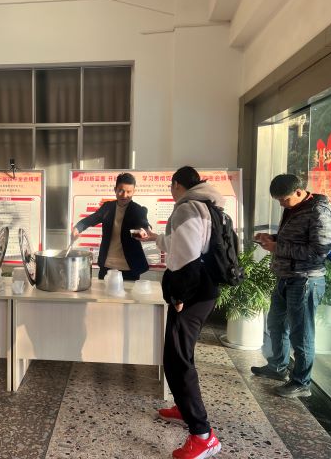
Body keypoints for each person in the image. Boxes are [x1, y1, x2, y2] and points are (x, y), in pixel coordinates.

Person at [137, 166, 222, 458]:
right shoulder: (208, 204)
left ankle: (203, 435)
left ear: (176, 184)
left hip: (191, 292)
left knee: (177, 361)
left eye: (171, 187)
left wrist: (178, 295)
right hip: (204, 288)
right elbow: (183, 243)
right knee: (180, 355)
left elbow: (187, 257)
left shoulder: (187, 207)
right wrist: (154, 237)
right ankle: (185, 409)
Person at [251, 174, 331, 398]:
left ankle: (301, 383)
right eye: (278, 200)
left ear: (299, 192)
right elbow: (293, 239)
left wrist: (277, 247)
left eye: (284, 199)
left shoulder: (320, 212)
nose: (281, 204)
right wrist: (271, 238)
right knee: (276, 323)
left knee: (302, 333)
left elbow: (319, 252)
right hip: (286, 276)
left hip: (305, 280)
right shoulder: (295, 207)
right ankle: (278, 367)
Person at [71, 172, 150, 281]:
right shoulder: (107, 207)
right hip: (107, 265)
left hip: (129, 268)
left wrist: (144, 231)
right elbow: (91, 219)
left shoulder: (138, 210)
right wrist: (77, 228)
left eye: (129, 192)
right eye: (121, 190)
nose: (124, 195)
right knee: (102, 292)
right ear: (115, 190)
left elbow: (143, 224)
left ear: (133, 192)